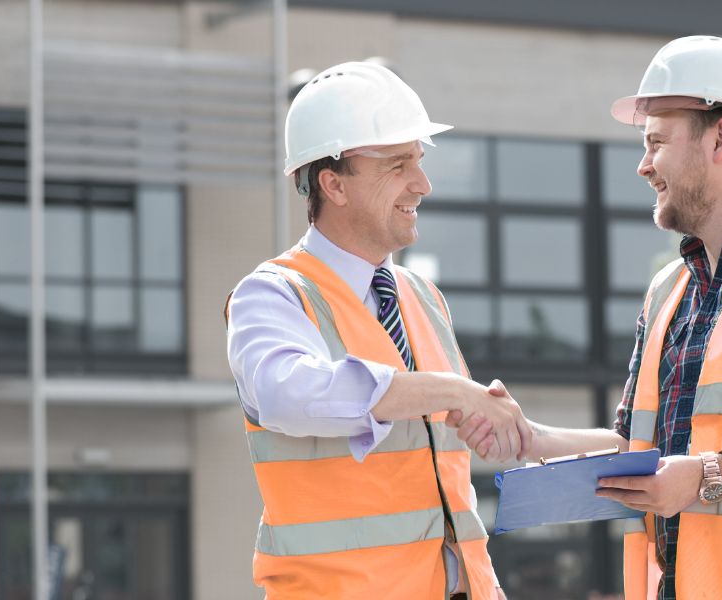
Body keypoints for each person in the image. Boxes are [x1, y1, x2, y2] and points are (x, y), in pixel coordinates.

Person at [454, 36, 722, 600]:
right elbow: (638, 446)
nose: (643, 166)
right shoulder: (671, 289)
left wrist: (711, 474)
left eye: (657, 142)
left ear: (720, 138)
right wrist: (530, 438)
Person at [225, 61, 526, 600]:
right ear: (333, 184)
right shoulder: (273, 294)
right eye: (397, 164)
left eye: (420, 160)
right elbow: (286, 394)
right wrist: (456, 391)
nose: (423, 183)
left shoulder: (422, 296)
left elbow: (441, 477)